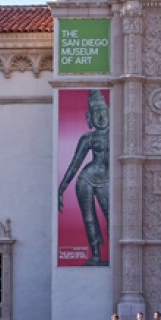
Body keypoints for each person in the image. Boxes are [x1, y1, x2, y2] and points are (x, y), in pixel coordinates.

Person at [57, 88, 110, 266]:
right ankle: (95, 254)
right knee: (88, 218)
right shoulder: (88, 139)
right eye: (97, 113)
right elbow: (75, 164)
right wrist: (62, 188)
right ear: (90, 117)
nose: (101, 117)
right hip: (86, 179)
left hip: (107, 179)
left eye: (104, 112)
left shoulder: (117, 135)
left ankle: (115, 254)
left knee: (111, 216)